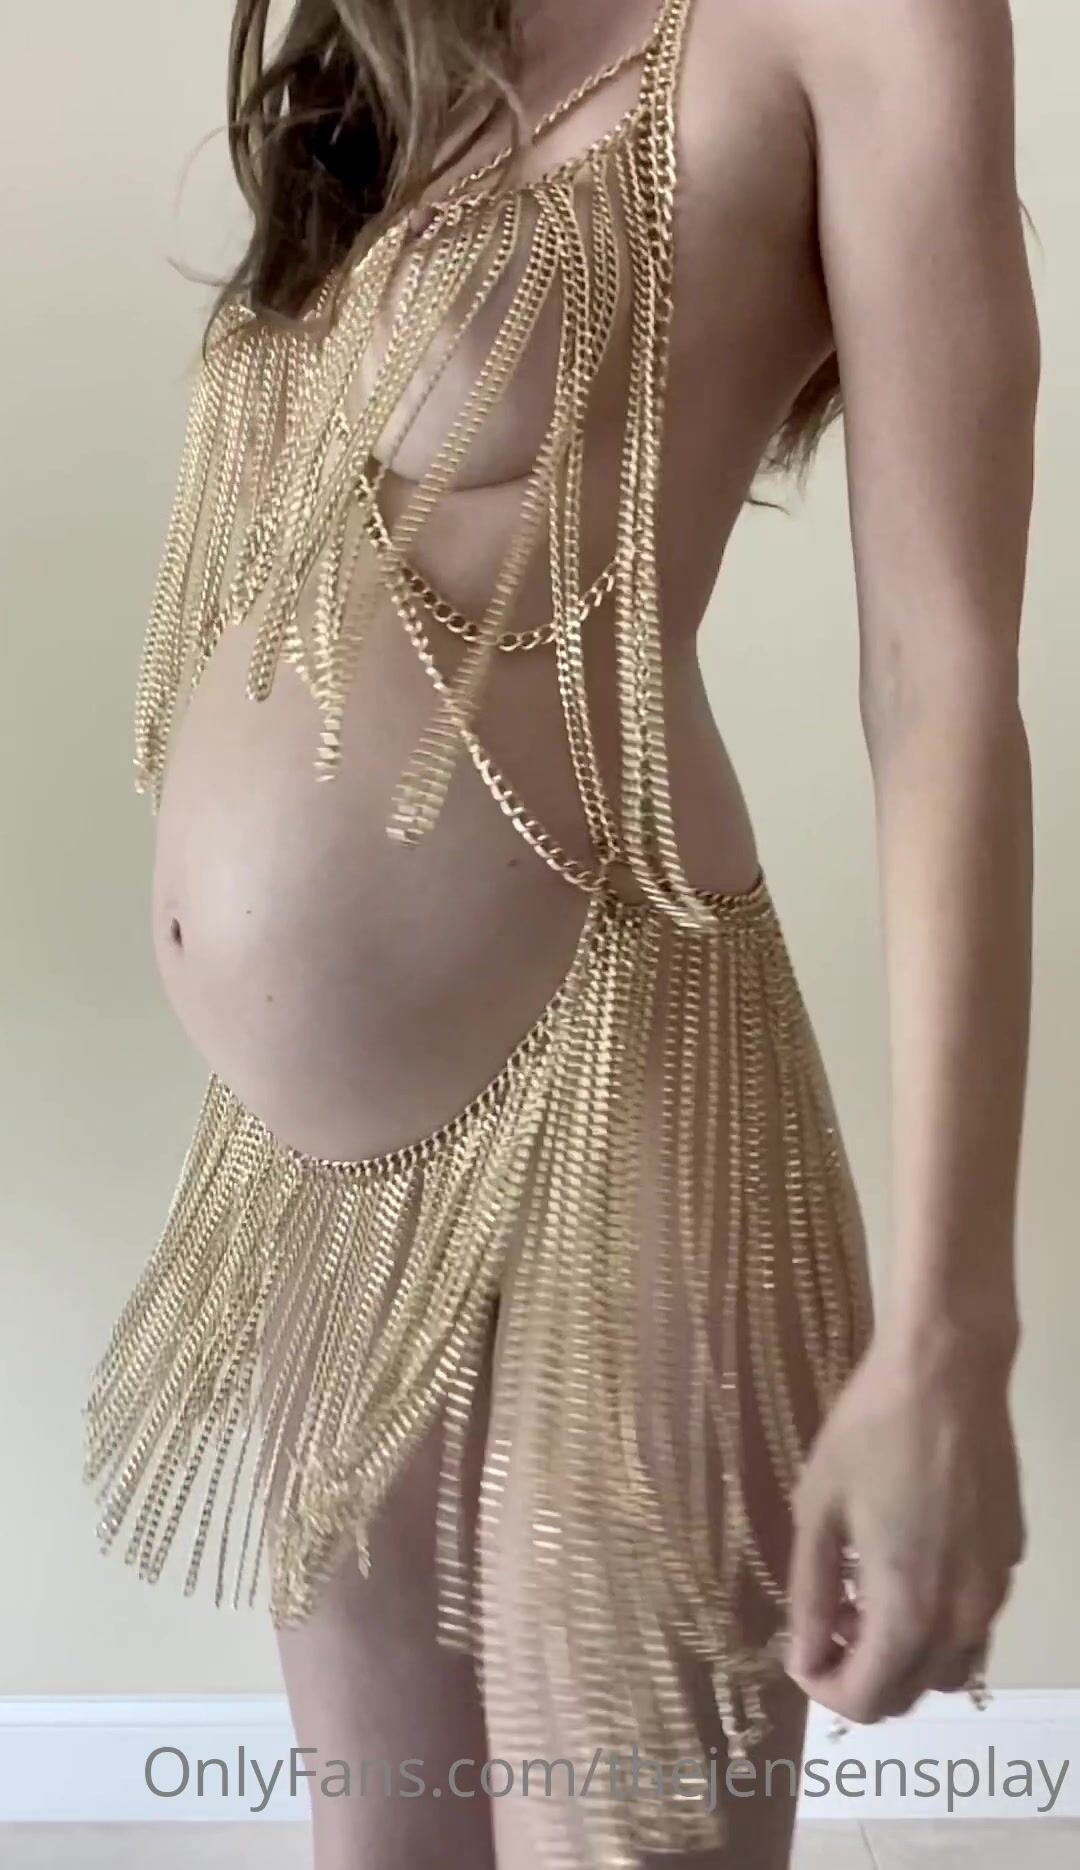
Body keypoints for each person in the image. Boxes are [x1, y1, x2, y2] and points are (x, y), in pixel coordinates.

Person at [84, 1, 1038, 1865]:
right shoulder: (422, 33)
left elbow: (944, 684)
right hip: (312, 1182)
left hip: (624, 1101)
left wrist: (952, 1336)